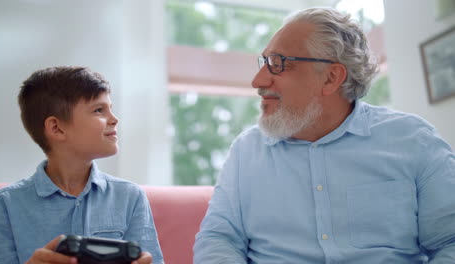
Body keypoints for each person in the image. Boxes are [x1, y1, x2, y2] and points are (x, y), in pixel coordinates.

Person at [194, 7, 455, 264]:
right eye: (264, 63)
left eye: (278, 64)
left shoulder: (414, 141)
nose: (258, 81)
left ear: (331, 78)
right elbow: (219, 239)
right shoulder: (245, 151)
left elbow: (450, 242)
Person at [0, 66, 163, 264]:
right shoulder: (1, 207)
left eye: (110, 108)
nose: (114, 119)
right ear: (56, 128)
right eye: (99, 110)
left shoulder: (130, 197)